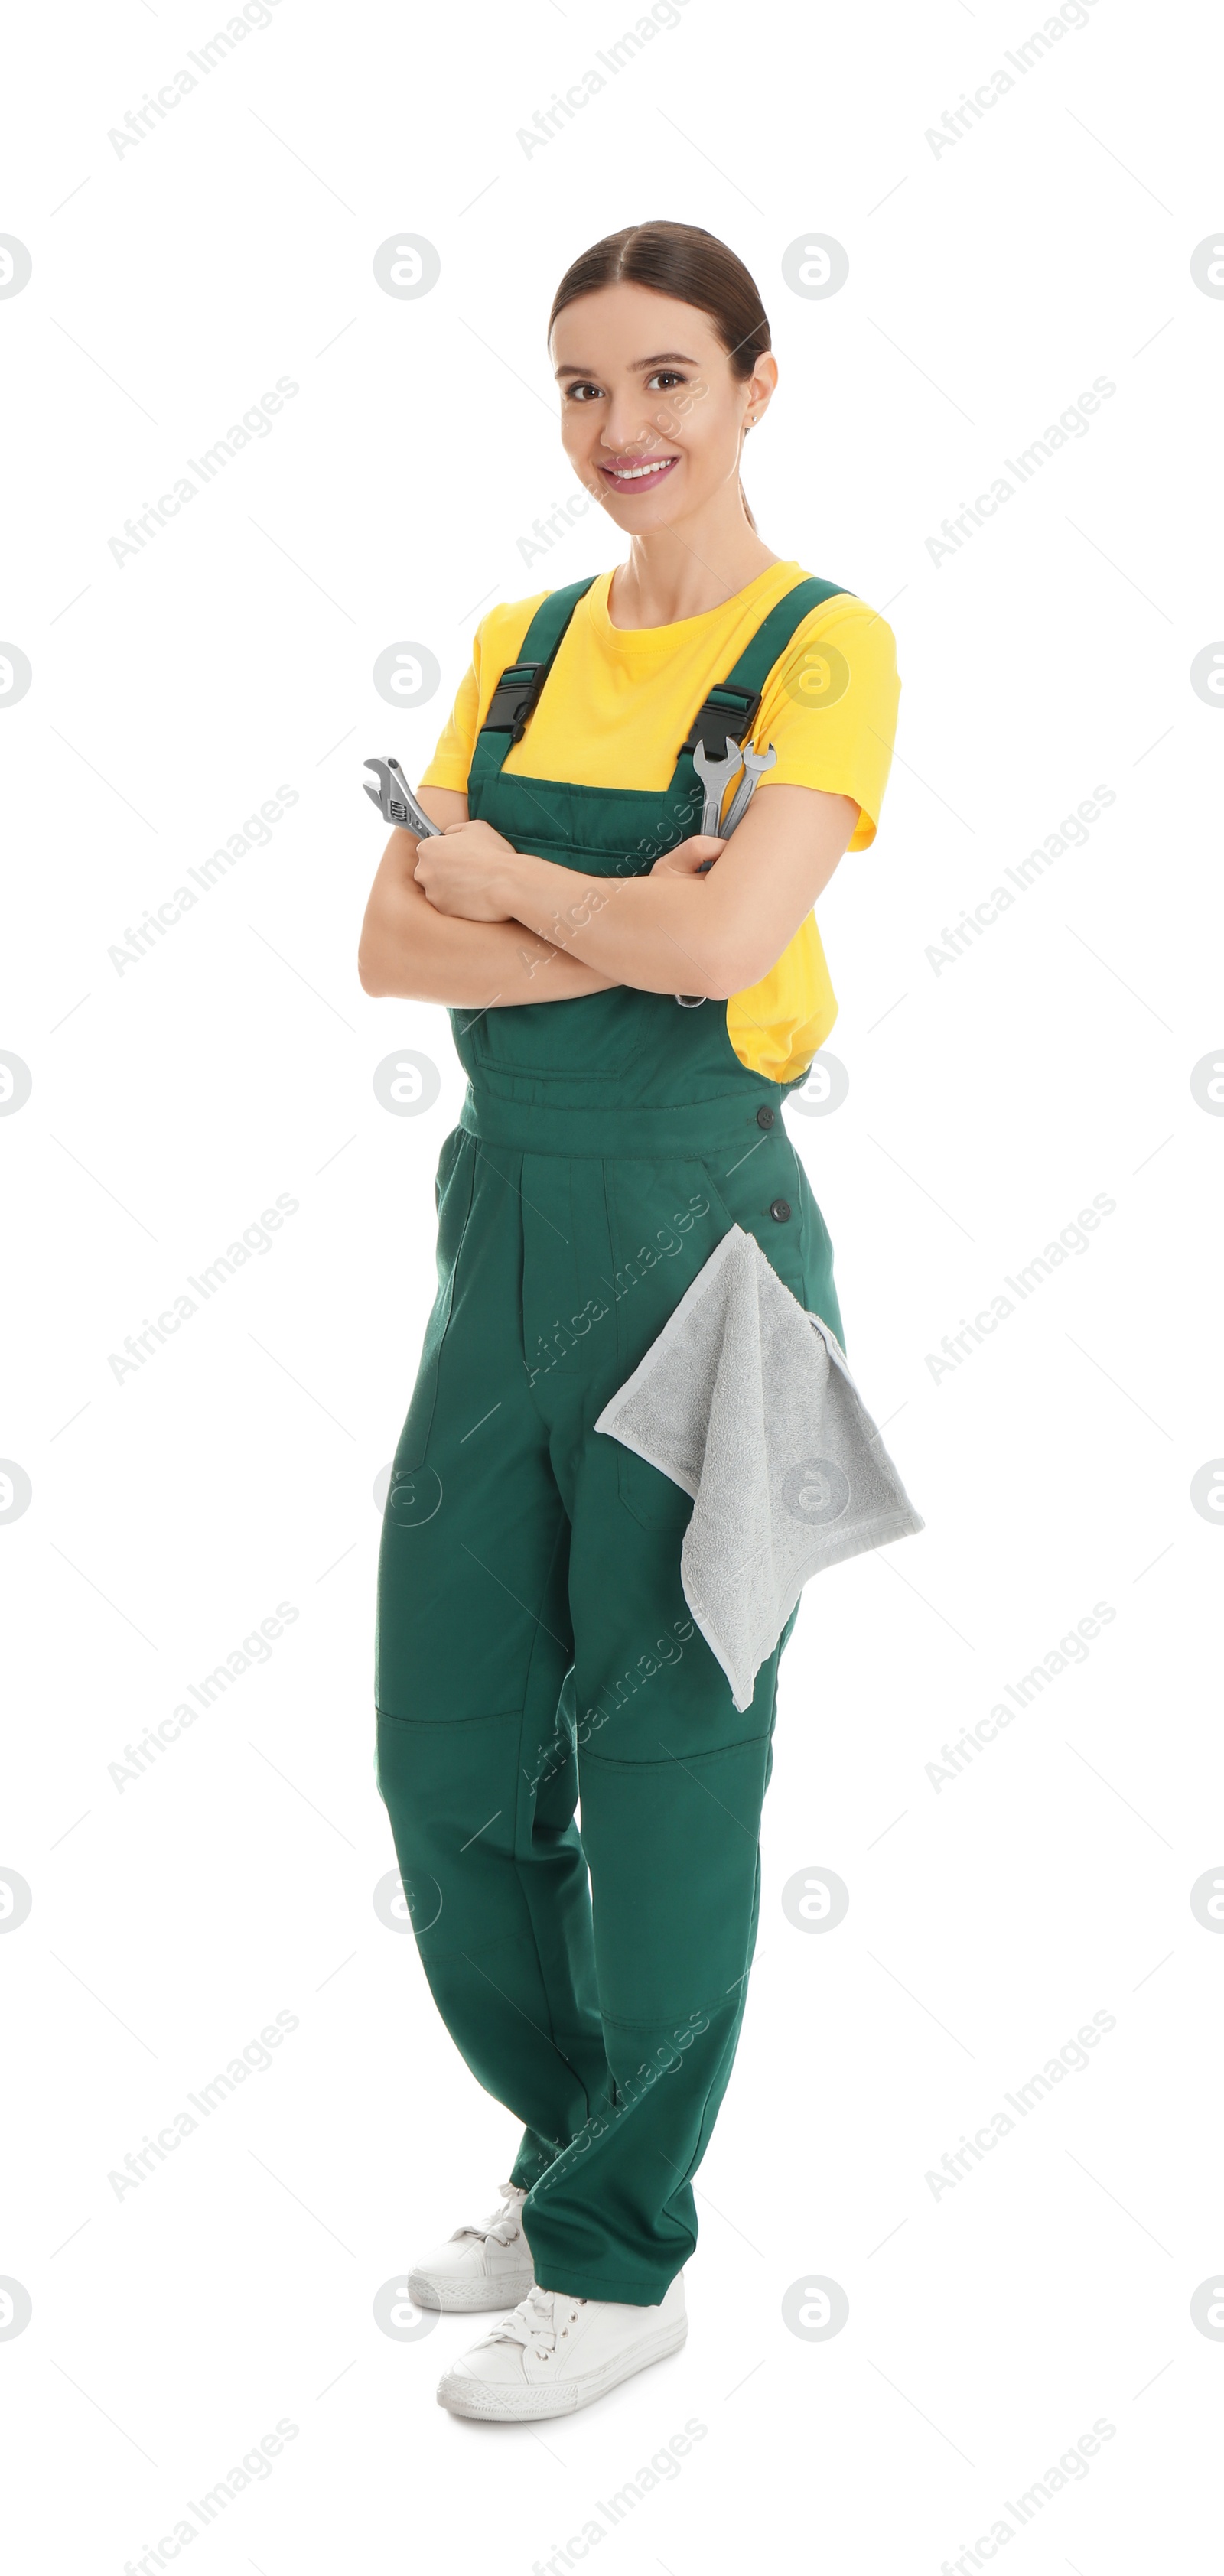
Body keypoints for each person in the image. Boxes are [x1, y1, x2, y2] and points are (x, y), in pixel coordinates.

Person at [357, 218, 900, 2422]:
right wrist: (616, 915)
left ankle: (621, 2251)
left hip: (703, 1254)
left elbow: (730, 951)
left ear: (755, 385)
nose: (623, 431)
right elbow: (398, 959)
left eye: (668, 379)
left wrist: (513, 888)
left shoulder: (826, 650)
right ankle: (573, 2132)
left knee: (669, 1763)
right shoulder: (510, 648)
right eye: (583, 389)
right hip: (499, 1237)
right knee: (447, 1752)